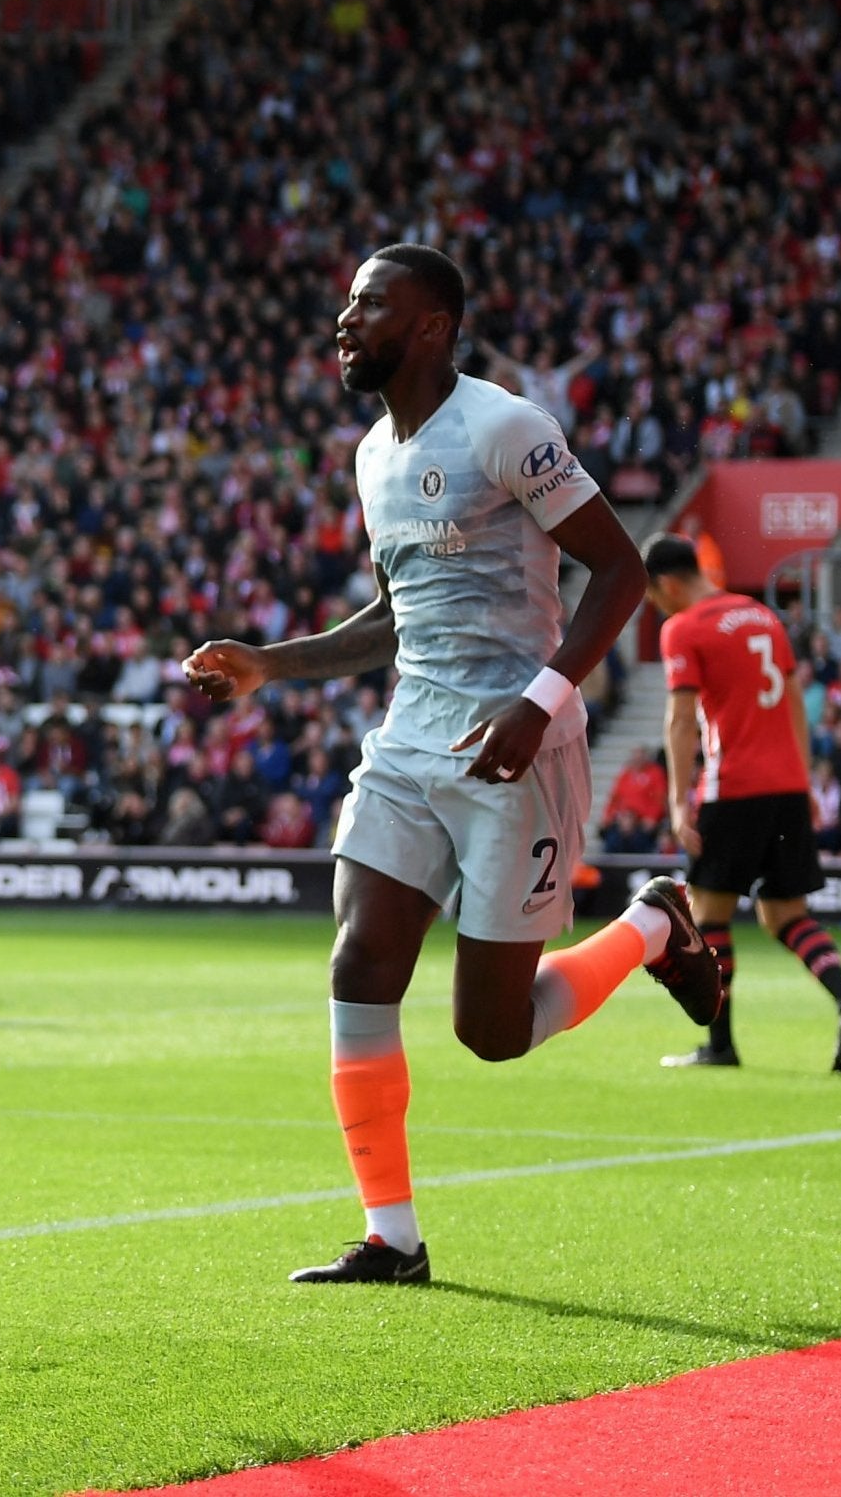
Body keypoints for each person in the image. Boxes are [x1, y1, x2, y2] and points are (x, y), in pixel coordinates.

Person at [186, 244, 712, 1287]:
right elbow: (393, 618)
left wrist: (540, 699)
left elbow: (613, 568)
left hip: (519, 746)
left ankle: (652, 922)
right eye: (342, 304)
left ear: (431, 324)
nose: (344, 321)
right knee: (357, 964)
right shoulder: (370, 454)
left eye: (367, 305)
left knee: (492, 1031)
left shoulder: (505, 426)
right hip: (410, 739)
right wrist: (266, 664)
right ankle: (391, 1235)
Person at [644, 534, 841, 1072]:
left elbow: (680, 721)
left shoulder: (684, 627)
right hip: (788, 787)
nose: (658, 607)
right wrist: (803, 784)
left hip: (734, 788)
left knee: (708, 916)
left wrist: (679, 801)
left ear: (670, 584)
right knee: (786, 914)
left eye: (654, 597)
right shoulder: (760, 616)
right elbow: (794, 701)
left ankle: (720, 1045)